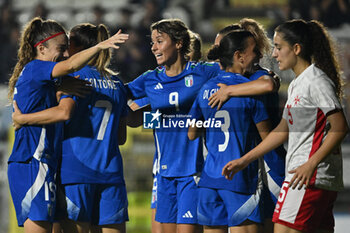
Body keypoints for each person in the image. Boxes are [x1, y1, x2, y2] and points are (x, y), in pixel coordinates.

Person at [222, 19, 348, 233]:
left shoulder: (316, 81)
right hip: (312, 177)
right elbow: (282, 130)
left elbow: (340, 127)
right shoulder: (300, 83)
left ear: (296, 49)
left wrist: (310, 165)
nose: (274, 54)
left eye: (279, 47)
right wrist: (244, 160)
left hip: (307, 178)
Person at [8, 17, 128, 233]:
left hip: (60, 166)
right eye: (62, 48)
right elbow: (120, 136)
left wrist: (22, 119)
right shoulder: (116, 83)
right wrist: (100, 47)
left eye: (68, 48)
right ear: (41, 48)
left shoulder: (58, 79)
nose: (65, 54)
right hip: (37, 161)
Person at [126, 18, 221, 233]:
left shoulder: (202, 72)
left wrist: (264, 75)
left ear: (178, 43)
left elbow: (235, 73)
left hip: (194, 170)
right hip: (164, 172)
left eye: (159, 41)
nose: (153, 47)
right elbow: (124, 100)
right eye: (152, 42)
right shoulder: (150, 80)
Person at [188, 30, 270, 233]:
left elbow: (191, 133)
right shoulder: (250, 89)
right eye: (254, 50)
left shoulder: (206, 88)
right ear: (239, 56)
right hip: (238, 178)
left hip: (209, 180)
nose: (258, 55)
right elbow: (268, 139)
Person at [210, 18, 286, 233]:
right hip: (245, 162)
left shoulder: (259, 76)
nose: (217, 52)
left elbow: (268, 83)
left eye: (220, 46)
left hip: (268, 162)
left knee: (274, 223)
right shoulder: (228, 75)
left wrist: (229, 91)